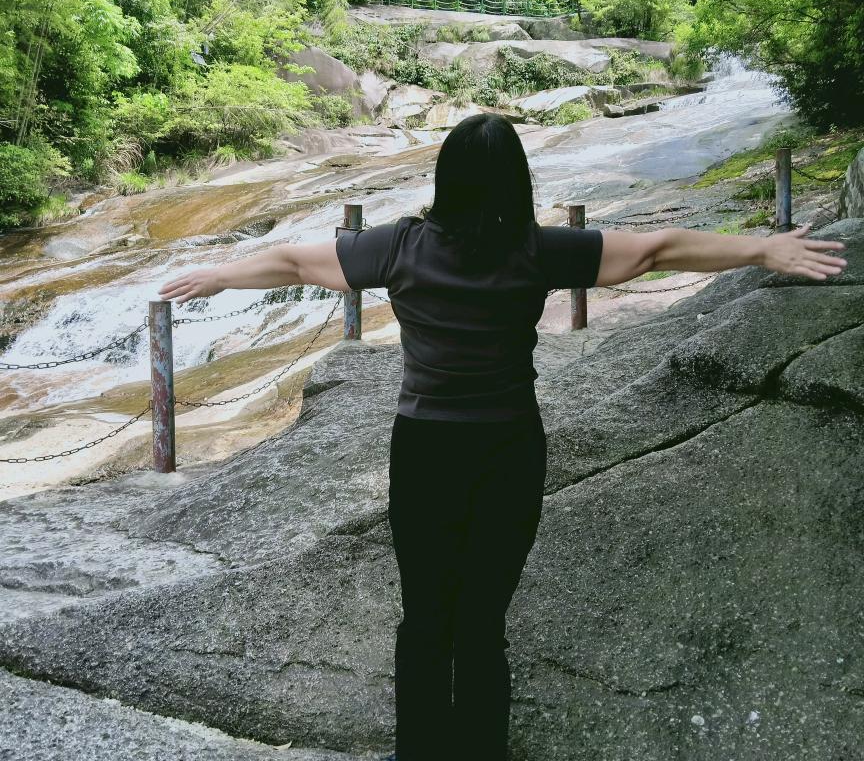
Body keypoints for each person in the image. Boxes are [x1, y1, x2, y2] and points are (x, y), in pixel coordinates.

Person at [157, 113, 846, 761]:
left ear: (445, 180)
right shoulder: (540, 251)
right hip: (510, 450)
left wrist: (218, 275)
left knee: (426, 614)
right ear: (520, 180)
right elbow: (656, 251)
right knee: (483, 618)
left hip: (425, 450)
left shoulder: (397, 245)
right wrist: (763, 248)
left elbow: (295, 263)